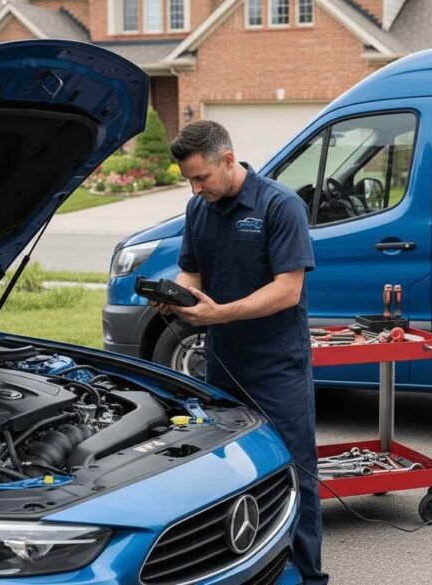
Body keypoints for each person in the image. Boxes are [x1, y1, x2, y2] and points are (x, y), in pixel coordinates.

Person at [156, 120, 328, 585]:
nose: (195, 188)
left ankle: (308, 576)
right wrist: (176, 293)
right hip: (223, 366)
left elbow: (288, 290)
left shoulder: (279, 205)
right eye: (189, 179)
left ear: (228, 159)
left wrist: (221, 314)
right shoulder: (199, 210)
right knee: (231, 475)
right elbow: (191, 273)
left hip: (277, 366)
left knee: (295, 473)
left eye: (201, 177)